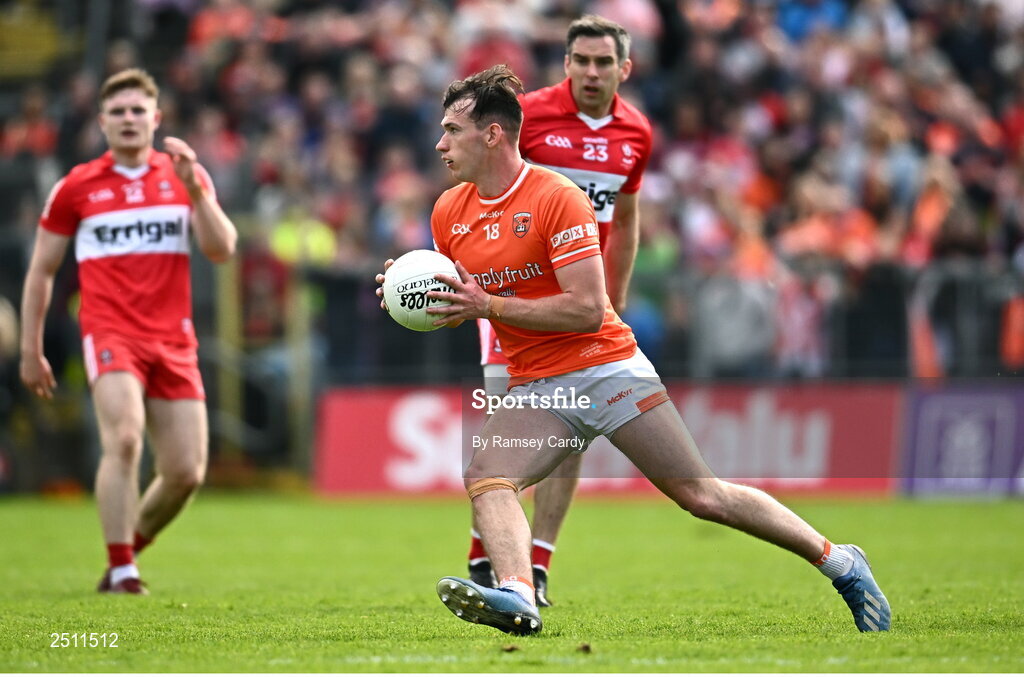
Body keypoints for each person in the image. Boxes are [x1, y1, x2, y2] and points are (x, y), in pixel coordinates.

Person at [375, 65, 890, 636]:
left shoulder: (556, 197)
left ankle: (840, 560)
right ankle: (519, 593)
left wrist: (488, 307)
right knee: (488, 476)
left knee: (703, 497)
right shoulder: (448, 213)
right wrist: (416, 295)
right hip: (541, 387)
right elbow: (466, 302)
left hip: (608, 369)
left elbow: (587, 309)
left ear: (493, 134)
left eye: (452, 129)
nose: (440, 143)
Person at [19, 68, 237, 595]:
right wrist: (31, 348)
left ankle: (127, 552)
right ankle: (122, 570)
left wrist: (196, 192)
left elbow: (222, 248)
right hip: (109, 330)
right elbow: (42, 270)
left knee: (185, 472)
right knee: (121, 437)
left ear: (156, 118)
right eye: (118, 111)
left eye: (138, 110)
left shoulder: (184, 174)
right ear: (102, 122)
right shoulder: (78, 186)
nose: (129, 119)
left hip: (174, 337)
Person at [468, 14, 653, 607]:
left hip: (576, 301)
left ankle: (534, 566)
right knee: (511, 421)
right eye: (582, 61)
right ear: (566, 64)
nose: (592, 72)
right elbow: (485, 184)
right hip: (514, 293)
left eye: (604, 62)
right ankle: (492, 550)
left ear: (624, 69)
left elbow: (624, 218)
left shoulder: (637, 134)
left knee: (569, 426)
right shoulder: (533, 118)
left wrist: (612, 298)